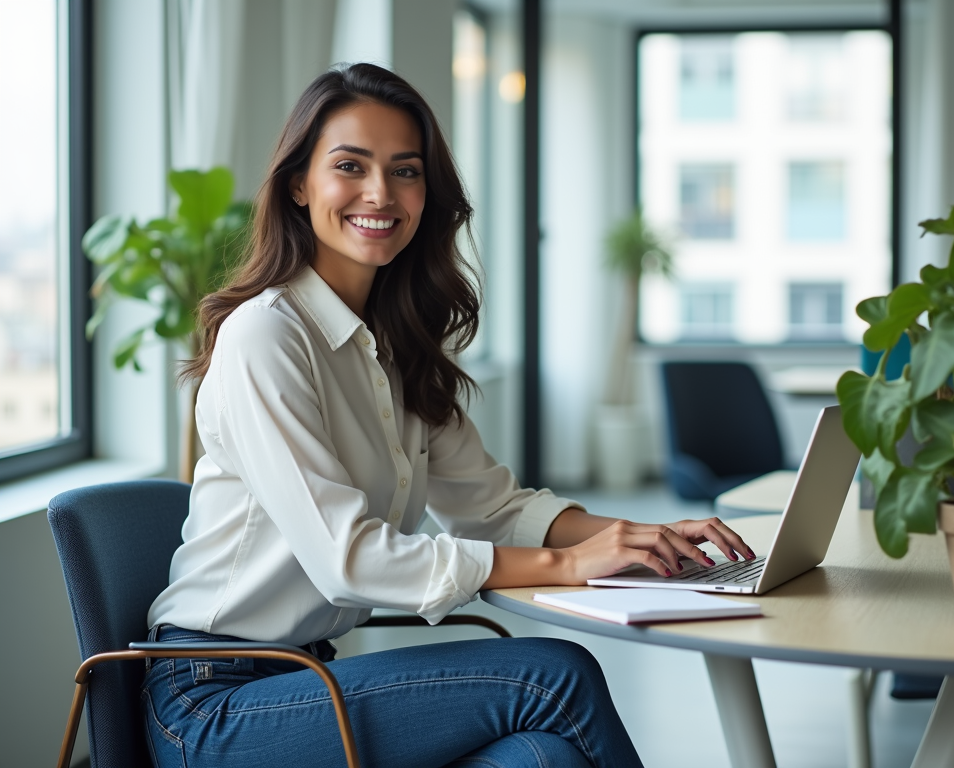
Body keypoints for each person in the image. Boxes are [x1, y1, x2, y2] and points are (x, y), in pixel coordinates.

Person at [143, 63, 754, 768]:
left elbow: (492, 509)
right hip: (215, 709)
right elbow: (351, 562)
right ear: (300, 185)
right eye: (350, 165)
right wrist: (567, 562)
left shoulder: (392, 347)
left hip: (307, 677)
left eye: (406, 171)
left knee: (542, 757)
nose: (381, 193)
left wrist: (641, 539)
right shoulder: (268, 336)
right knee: (555, 676)